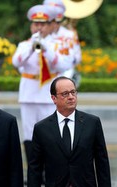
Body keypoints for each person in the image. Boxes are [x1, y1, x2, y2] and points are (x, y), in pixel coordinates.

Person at [12, 4, 74, 175]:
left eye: (43, 24)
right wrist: (32, 49)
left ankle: (50, 171)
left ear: (50, 25)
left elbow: (63, 64)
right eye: (35, 24)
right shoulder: (25, 44)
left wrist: (46, 50)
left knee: (50, 134)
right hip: (29, 94)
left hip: (48, 94)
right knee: (29, 133)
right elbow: (16, 62)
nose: (39, 27)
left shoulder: (57, 44)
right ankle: (34, 171)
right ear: (31, 25)